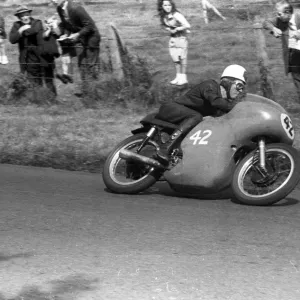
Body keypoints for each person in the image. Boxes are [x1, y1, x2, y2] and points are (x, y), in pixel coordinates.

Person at [154, 64, 247, 165]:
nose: (240, 90)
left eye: (242, 88)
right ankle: (165, 148)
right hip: (171, 108)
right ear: (228, 82)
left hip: (185, 119)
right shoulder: (210, 86)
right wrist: (237, 107)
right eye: (239, 86)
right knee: (196, 116)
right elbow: (215, 101)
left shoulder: (222, 105)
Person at [50, 0, 101, 96]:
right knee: (82, 65)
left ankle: (94, 94)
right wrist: (63, 34)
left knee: (91, 65)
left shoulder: (76, 8)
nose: (53, 0)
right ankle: (86, 92)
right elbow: (66, 25)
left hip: (91, 39)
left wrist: (77, 34)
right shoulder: (59, 9)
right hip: (82, 39)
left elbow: (90, 25)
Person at [263, 0, 300, 102]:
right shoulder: (280, 21)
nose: (277, 16)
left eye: (279, 13)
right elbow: (266, 22)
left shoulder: (299, 16)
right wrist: (274, 29)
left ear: (288, 12)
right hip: (294, 59)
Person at [157, 0, 191, 86]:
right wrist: (169, 29)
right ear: (162, 6)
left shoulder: (176, 15)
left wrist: (177, 29)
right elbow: (163, 25)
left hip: (181, 38)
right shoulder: (164, 16)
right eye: (165, 5)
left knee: (182, 58)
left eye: (169, 5)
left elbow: (187, 25)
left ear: (172, 5)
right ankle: (178, 77)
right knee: (175, 59)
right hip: (173, 39)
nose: (167, 7)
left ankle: (183, 78)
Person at [9, 5, 44, 87]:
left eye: (26, 14)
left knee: (37, 81)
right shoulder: (16, 25)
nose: (25, 17)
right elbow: (12, 39)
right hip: (23, 57)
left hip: (36, 57)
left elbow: (34, 30)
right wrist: (21, 30)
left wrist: (22, 32)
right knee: (25, 79)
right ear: (18, 17)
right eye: (22, 16)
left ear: (30, 14)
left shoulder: (37, 22)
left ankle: (39, 96)